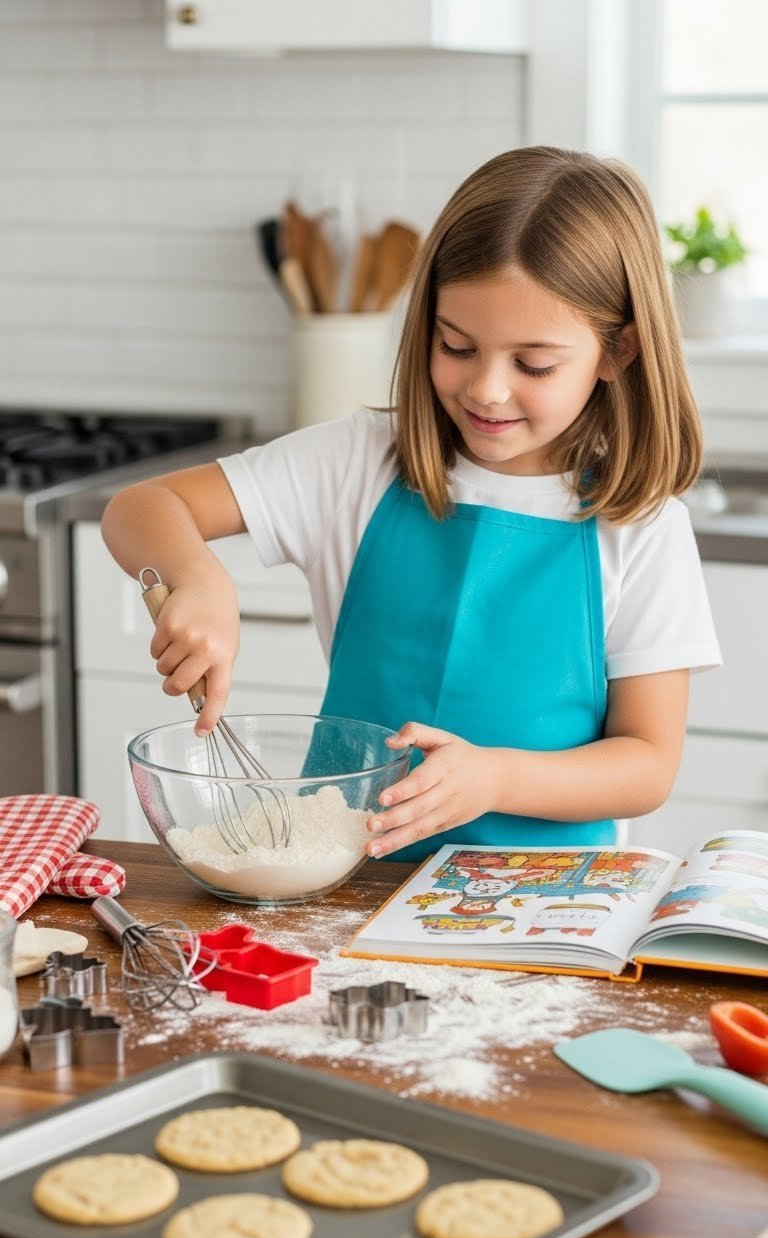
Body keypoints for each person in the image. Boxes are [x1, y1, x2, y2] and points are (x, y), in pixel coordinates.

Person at [101, 145, 721, 863]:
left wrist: (495, 777)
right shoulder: (358, 463)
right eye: (457, 345)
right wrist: (196, 572)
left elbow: (647, 763)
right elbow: (143, 505)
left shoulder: (640, 525)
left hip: (546, 910)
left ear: (618, 351)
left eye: (534, 364)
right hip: (342, 886)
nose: (487, 387)